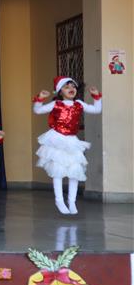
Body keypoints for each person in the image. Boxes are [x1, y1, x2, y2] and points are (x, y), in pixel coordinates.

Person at [33, 76, 102, 214]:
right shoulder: (56, 104)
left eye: (73, 86)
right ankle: (59, 200)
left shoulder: (79, 104)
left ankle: (72, 201)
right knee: (57, 171)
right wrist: (40, 99)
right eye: (66, 87)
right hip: (57, 139)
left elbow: (96, 109)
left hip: (71, 140)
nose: (71, 89)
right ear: (60, 91)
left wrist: (96, 97)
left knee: (74, 171)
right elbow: (38, 111)